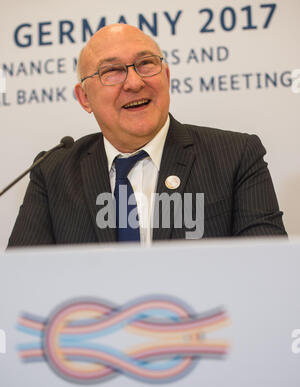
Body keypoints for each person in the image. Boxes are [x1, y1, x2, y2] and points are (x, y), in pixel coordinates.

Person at [8, 24, 287, 247]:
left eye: (146, 64)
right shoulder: (53, 171)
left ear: (165, 76)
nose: (134, 82)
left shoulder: (236, 155)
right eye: (112, 71)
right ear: (84, 98)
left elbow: (266, 271)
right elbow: (23, 280)